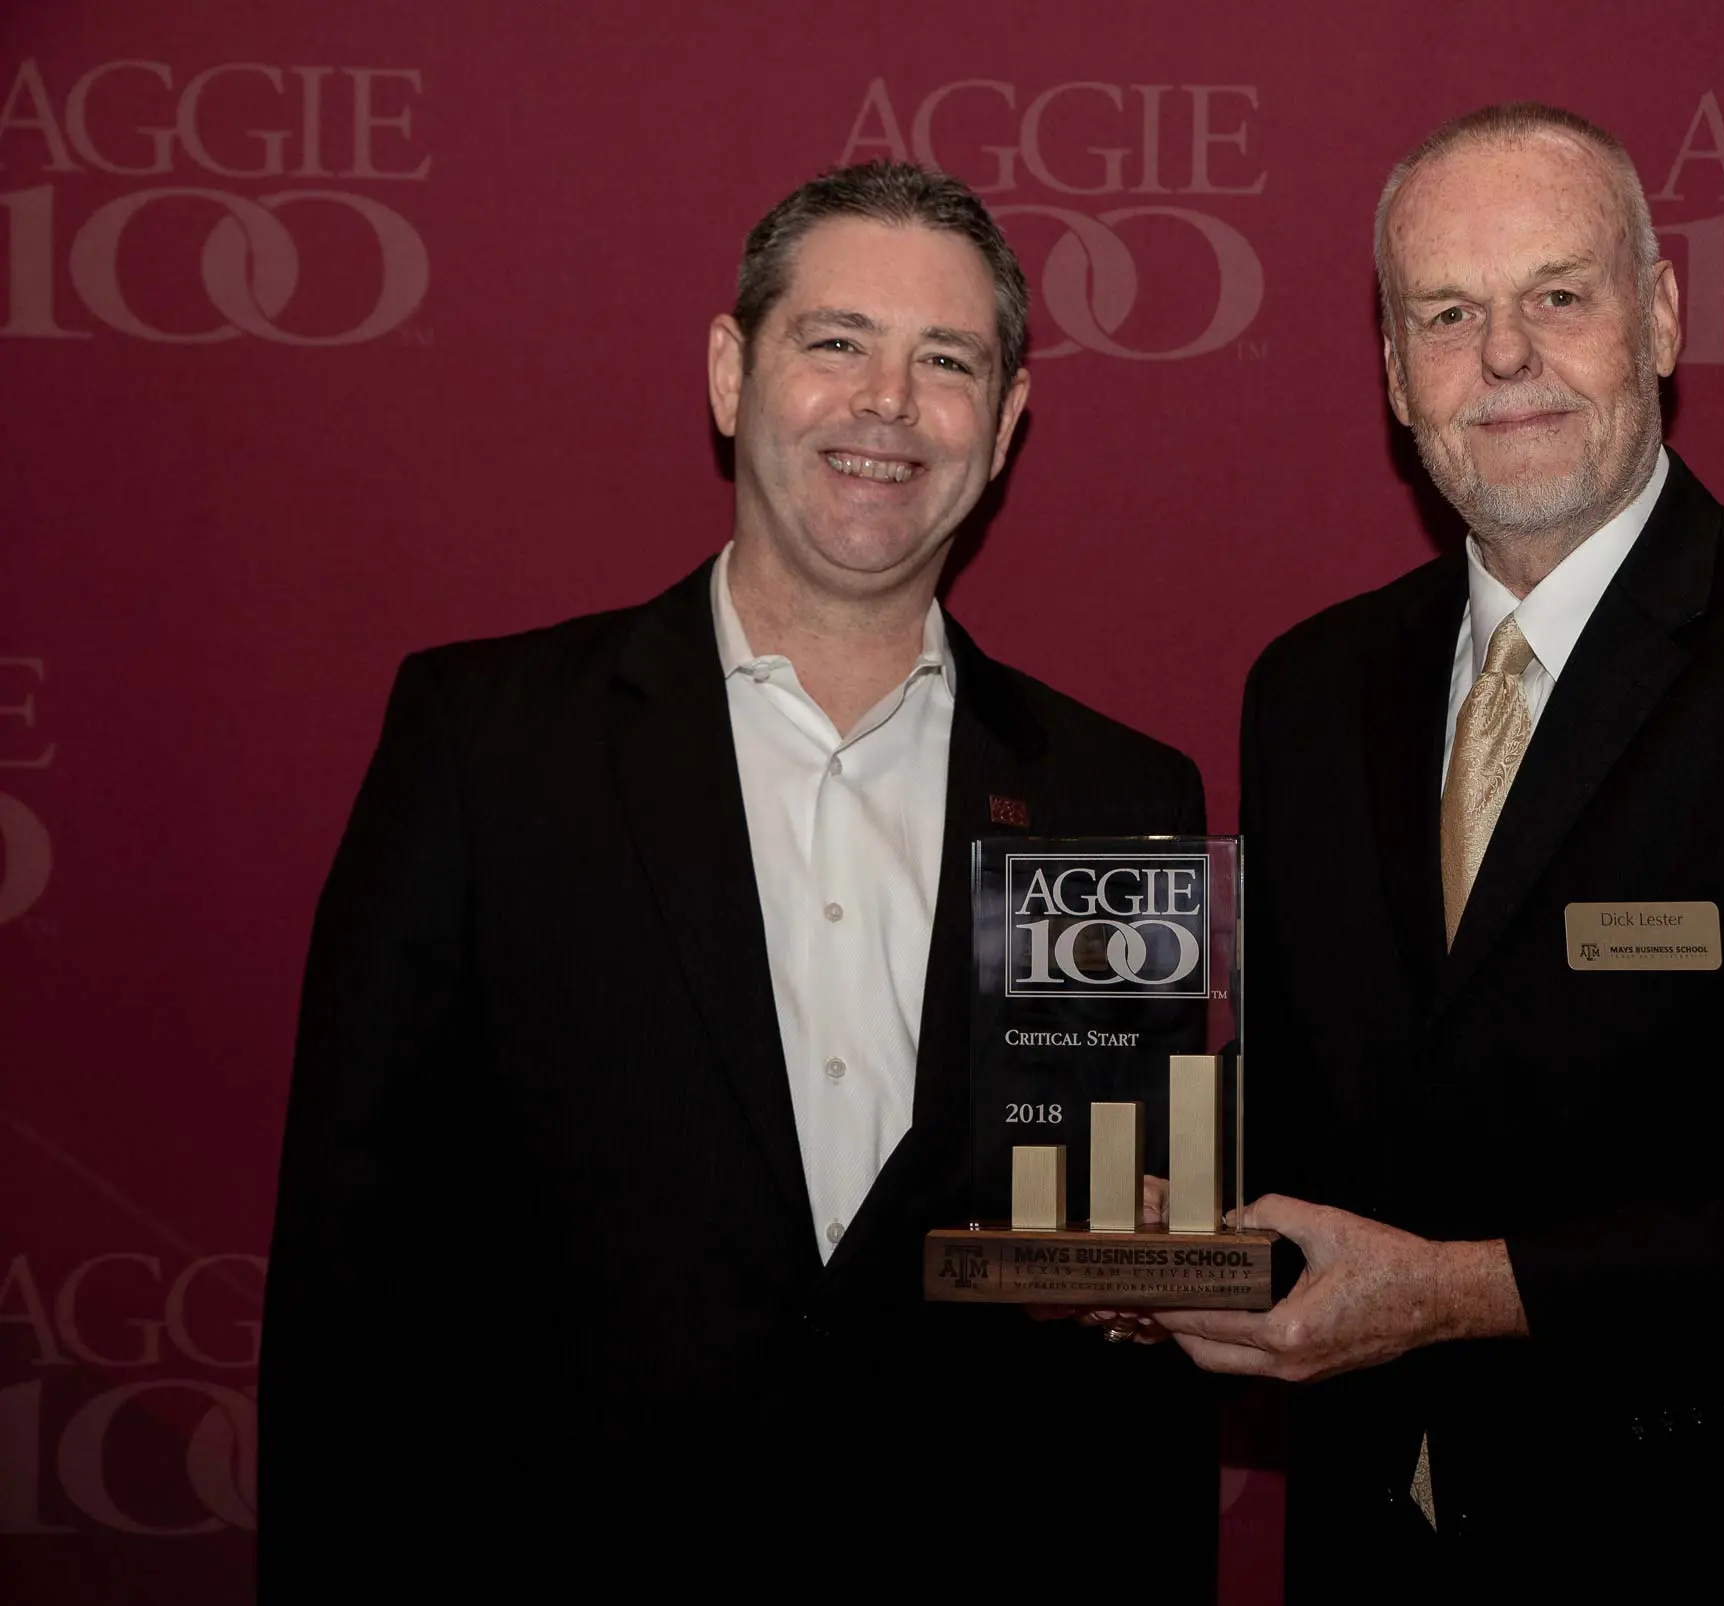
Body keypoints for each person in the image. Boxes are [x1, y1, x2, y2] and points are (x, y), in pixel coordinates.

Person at [1154, 103, 1724, 1600]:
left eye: (1557, 295)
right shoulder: (1310, 692)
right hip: (1379, 1546)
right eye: (1446, 313)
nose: (1504, 355)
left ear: (1655, 318)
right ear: (1394, 373)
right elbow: (1326, 1128)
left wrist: (1462, 1295)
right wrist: (1141, 1236)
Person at [262, 161, 1216, 1594]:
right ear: (730, 370)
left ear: (1005, 424)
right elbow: (354, 1263)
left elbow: (1118, 1250)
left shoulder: (1119, 797)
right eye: (836, 342)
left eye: (945, 360)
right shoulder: (485, 741)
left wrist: (1155, 1273)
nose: (887, 401)